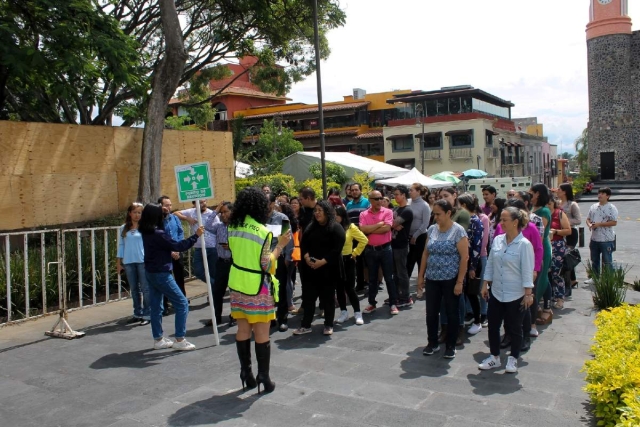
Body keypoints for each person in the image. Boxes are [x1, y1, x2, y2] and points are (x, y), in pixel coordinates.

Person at [228, 187, 291, 394]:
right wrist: (280, 246)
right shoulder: (263, 231)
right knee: (262, 333)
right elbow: (266, 264)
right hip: (257, 287)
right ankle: (263, 376)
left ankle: (246, 373)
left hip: (237, 284)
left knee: (243, 329)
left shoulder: (232, 226)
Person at [138, 204, 203, 351]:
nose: (165, 215)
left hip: (150, 272)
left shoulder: (146, 232)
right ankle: (179, 339)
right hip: (161, 273)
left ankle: (158, 339)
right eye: (162, 213)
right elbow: (179, 245)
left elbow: (162, 248)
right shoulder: (158, 234)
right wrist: (196, 235)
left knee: (156, 307)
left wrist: (169, 251)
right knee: (182, 303)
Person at [479, 207, 534, 374]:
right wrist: (485, 283)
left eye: (504, 220)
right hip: (497, 292)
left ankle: (513, 359)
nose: (500, 223)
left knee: (515, 328)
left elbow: (527, 271)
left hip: (515, 294)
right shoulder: (498, 240)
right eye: (500, 219)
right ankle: (494, 357)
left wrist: (528, 294)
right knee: (493, 326)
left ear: (515, 222)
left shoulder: (524, 245)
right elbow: (490, 263)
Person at [418, 200, 468, 359]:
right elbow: (426, 253)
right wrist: (421, 276)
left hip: (450, 279)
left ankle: (451, 345)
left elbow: (464, 258)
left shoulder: (458, 231)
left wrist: (459, 281)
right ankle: (432, 342)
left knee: (452, 312)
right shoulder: (432, 229)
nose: (436, 217)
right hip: (432, 278)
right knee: (431, 312)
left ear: (448, 213)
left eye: (439, 214)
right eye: (434, 213)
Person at [494, 198, 543, 349]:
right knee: (506, 308)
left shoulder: (530, 228)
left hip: (525, 273)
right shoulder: (500, 228)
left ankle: (525, 335)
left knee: (524, 306)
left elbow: (538, 249)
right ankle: (508, 334)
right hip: (506, 275)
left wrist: (535, 269)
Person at [293, 201, 346, 335]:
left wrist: (322, 262)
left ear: (327, 212)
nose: (317, 213)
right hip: (311, 268)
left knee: (328, 298)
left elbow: (337, 249)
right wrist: (306, 258)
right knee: (309, 297)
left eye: (320, 210)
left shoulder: (336, 227)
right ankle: (305, 325)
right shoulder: (311, 227)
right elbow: (303, 243)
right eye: (315, 210)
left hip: (329, 268)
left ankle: (328, 324)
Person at [360, 190, 399, 316]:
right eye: (376, 199)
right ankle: (372, 303)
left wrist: (371, 228)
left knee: (389, 277)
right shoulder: (364, 213)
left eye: (380, 198)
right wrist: (379, 225)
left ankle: (393, 303)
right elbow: (363, 230)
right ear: (370, 200)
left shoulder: (388, 212)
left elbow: (387, 228)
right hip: (370, 250)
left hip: (385, 249)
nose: (379, 201)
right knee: (372, 279)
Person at [116, 202, 150, 326]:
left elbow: (148, 245)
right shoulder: (123, 228)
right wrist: (119, 262)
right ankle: (137, 313)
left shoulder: (145, 227)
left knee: (146, 289)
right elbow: (121, 245)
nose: (137, 215)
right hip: (129, 262)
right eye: (134, 212)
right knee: (134, 289)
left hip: (142, 261)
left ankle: (147, 313)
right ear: (130, 213)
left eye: (139, 212)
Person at [175, 200, 219, 289]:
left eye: (204, 202)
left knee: (213, 272)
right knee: (198, 272)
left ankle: (214, 294)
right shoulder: (191, 212)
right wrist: (187, 218)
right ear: (194, 204)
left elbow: (218, 230)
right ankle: (218, 287)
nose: (203, 204)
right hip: (198, 248)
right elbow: (175, 213)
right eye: (200, 203)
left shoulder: (211, 214)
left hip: (212, 247)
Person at [334, 205, 367, 325]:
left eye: (337, 215)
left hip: (348, 259)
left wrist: (355, 253)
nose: (335, 217)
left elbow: (364, 240)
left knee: (350, 288)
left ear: (342, 216)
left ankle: (357, 312)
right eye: (333, 215)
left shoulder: (351, 227)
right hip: (335, 259)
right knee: (339, 288)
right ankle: (344, 312)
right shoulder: (332, 227)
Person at [266, 194, 294, 332]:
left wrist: (289, 257)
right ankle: (269, 318)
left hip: (279, 258)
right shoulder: (257, 219)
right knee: (267, 290)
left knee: (281, 289)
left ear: (272, 204)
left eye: (267, 203)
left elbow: (288, 239)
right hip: (263, 260)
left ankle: (282, 318)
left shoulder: (282, 218)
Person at [457, 194, 483, 336]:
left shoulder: (475, 221)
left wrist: (472, 266)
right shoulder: (465, 220)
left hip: (471, 262)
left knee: (472, 293)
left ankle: (477, 321)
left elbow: (476, 246)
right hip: (463, 261)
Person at [204, 202, 234, 328]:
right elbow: (206, 225)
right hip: (221, 262)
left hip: (234, 262)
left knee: (234, 291)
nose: (223, 215)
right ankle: (216, 317)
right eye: (221, 212)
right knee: (217, 292)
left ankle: (234, 316)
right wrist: (215, 211)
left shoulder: (237, 227)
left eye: (225, 212)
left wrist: (232, 247)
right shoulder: (219, 226)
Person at [529, 183, 553, 325]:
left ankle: (547, 309)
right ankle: (539, 306)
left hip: (541, 248)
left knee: (542, 276)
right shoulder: (533, 209)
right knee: (542, 277)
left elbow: (540, 234)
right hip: (532, 248)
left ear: (537, 194)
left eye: (531, 192)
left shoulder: (544, 211)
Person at [585, 187, 618, 283]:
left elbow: (614, 222)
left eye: (602, 193)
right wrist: (590, 225)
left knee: (607, 260)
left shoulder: (611, 208)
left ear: (607, 196)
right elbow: (588, 219)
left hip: (606, 239)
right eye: (599, 193)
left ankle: (608, 279)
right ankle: (595, 278)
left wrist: (600, 224)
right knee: (594, 259)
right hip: (595, 238)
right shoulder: (593, 207)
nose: (600, 195)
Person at [159, 196, 186, 297]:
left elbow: (180, 232)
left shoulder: (174, 218)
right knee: (166, 279)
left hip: (177, 252)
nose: (169, 207)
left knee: (179, 277)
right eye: (166, 205)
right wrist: (170, 251)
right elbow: (159, 238)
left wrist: (178, 248)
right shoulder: (158, 221)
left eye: (170, 205)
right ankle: (167, 302)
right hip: (165, 254)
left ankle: (182, 298)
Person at [391, 185, 414, 307]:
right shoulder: (396, 209)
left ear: (404, 195)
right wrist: (391, 225)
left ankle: (405, 297)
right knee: (395, 272)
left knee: (401, 272)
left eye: (397, 194)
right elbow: (390, 223)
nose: (395, 196)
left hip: (401, 245)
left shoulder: (407, 210)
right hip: (393, 244)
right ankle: (396, 295)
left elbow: (392, 223)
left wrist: (391, 225)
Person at [346, 183, 371, 292]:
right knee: (358, 262)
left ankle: (371, 283)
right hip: (353, 238)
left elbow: (370, 217)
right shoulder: (348, 205)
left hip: (366, 236)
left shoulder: (367, 202)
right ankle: (360, 284)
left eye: (356, 190)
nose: (354, 192)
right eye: (352, 190)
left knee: (369, 262)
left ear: (360, 191)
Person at [557, 183, 581, 290]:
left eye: (559, 189)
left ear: (564, 191)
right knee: (562, 256)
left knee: (567, 255)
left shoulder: (572, 204)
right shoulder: (557, 203)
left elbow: (578, 220)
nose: (557, 191)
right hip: (560, 232)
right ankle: (570, 279)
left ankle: (571, 279)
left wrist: (565, 221)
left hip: (571, 233)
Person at [549, 198, 572, 309]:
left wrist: (556, 231)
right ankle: (550, 296)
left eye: (549, 203)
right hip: (545, 246)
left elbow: (568, 230)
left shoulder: (559, 214)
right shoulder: (540, 214)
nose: (547, 205)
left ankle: (560, 297)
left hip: (557, 246)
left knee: (556, 273)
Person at [407, 183, 431, 280]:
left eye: (411, 190)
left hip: (420, 236)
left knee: (420, 260)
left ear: (418, 192)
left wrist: (415, 235)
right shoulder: (408, 202)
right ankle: (404, 285)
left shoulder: (425, 205)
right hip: (408, 236)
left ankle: (421, 280)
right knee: (409, 261)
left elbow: (425, 223)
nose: (409, 192)